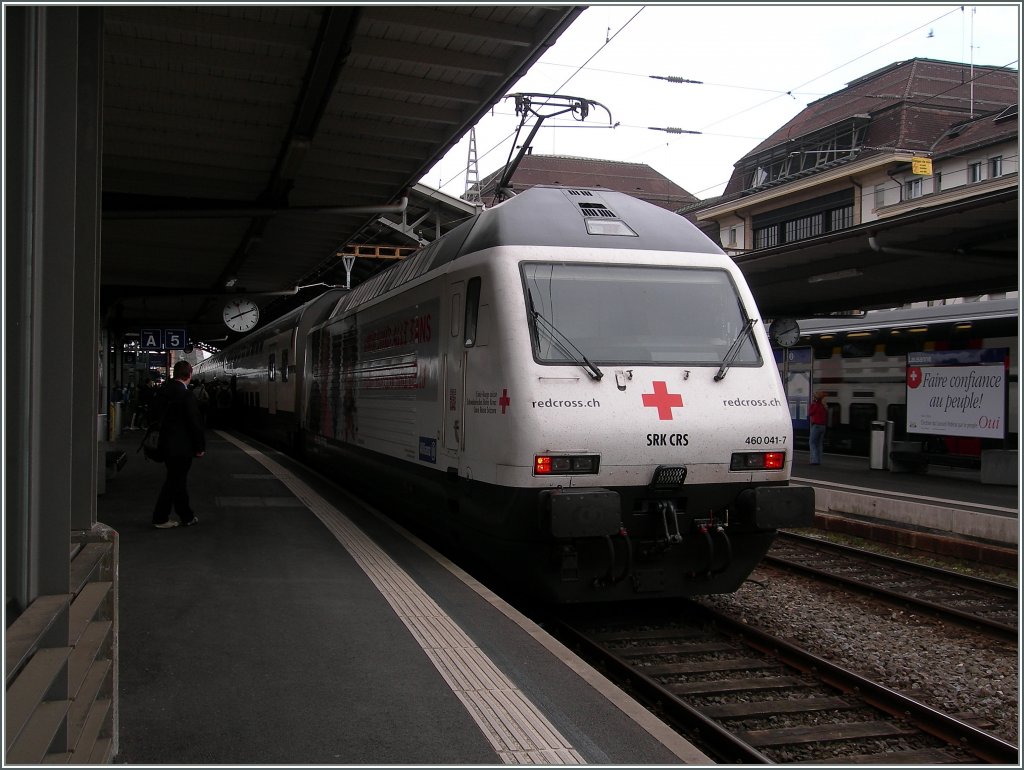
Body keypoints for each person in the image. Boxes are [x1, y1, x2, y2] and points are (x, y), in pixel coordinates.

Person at [151, 360, 206, 528]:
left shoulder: (162, 391)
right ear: (189, 375)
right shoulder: (186, 395)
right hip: (181, 447)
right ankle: (160, 518)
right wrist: (200, 447)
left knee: (177, 481)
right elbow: (194, 423)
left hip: (164, 444)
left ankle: (186, 516)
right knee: (174, 482)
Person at [808, 390, 828, 466]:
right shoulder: (824, 406)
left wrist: (813, 404)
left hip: (816, 426)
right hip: (823, 426)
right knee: (819, 444)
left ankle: (814, 460)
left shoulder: (816, 405)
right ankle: (819, 460)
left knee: (812, 443)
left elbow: (810, 412)